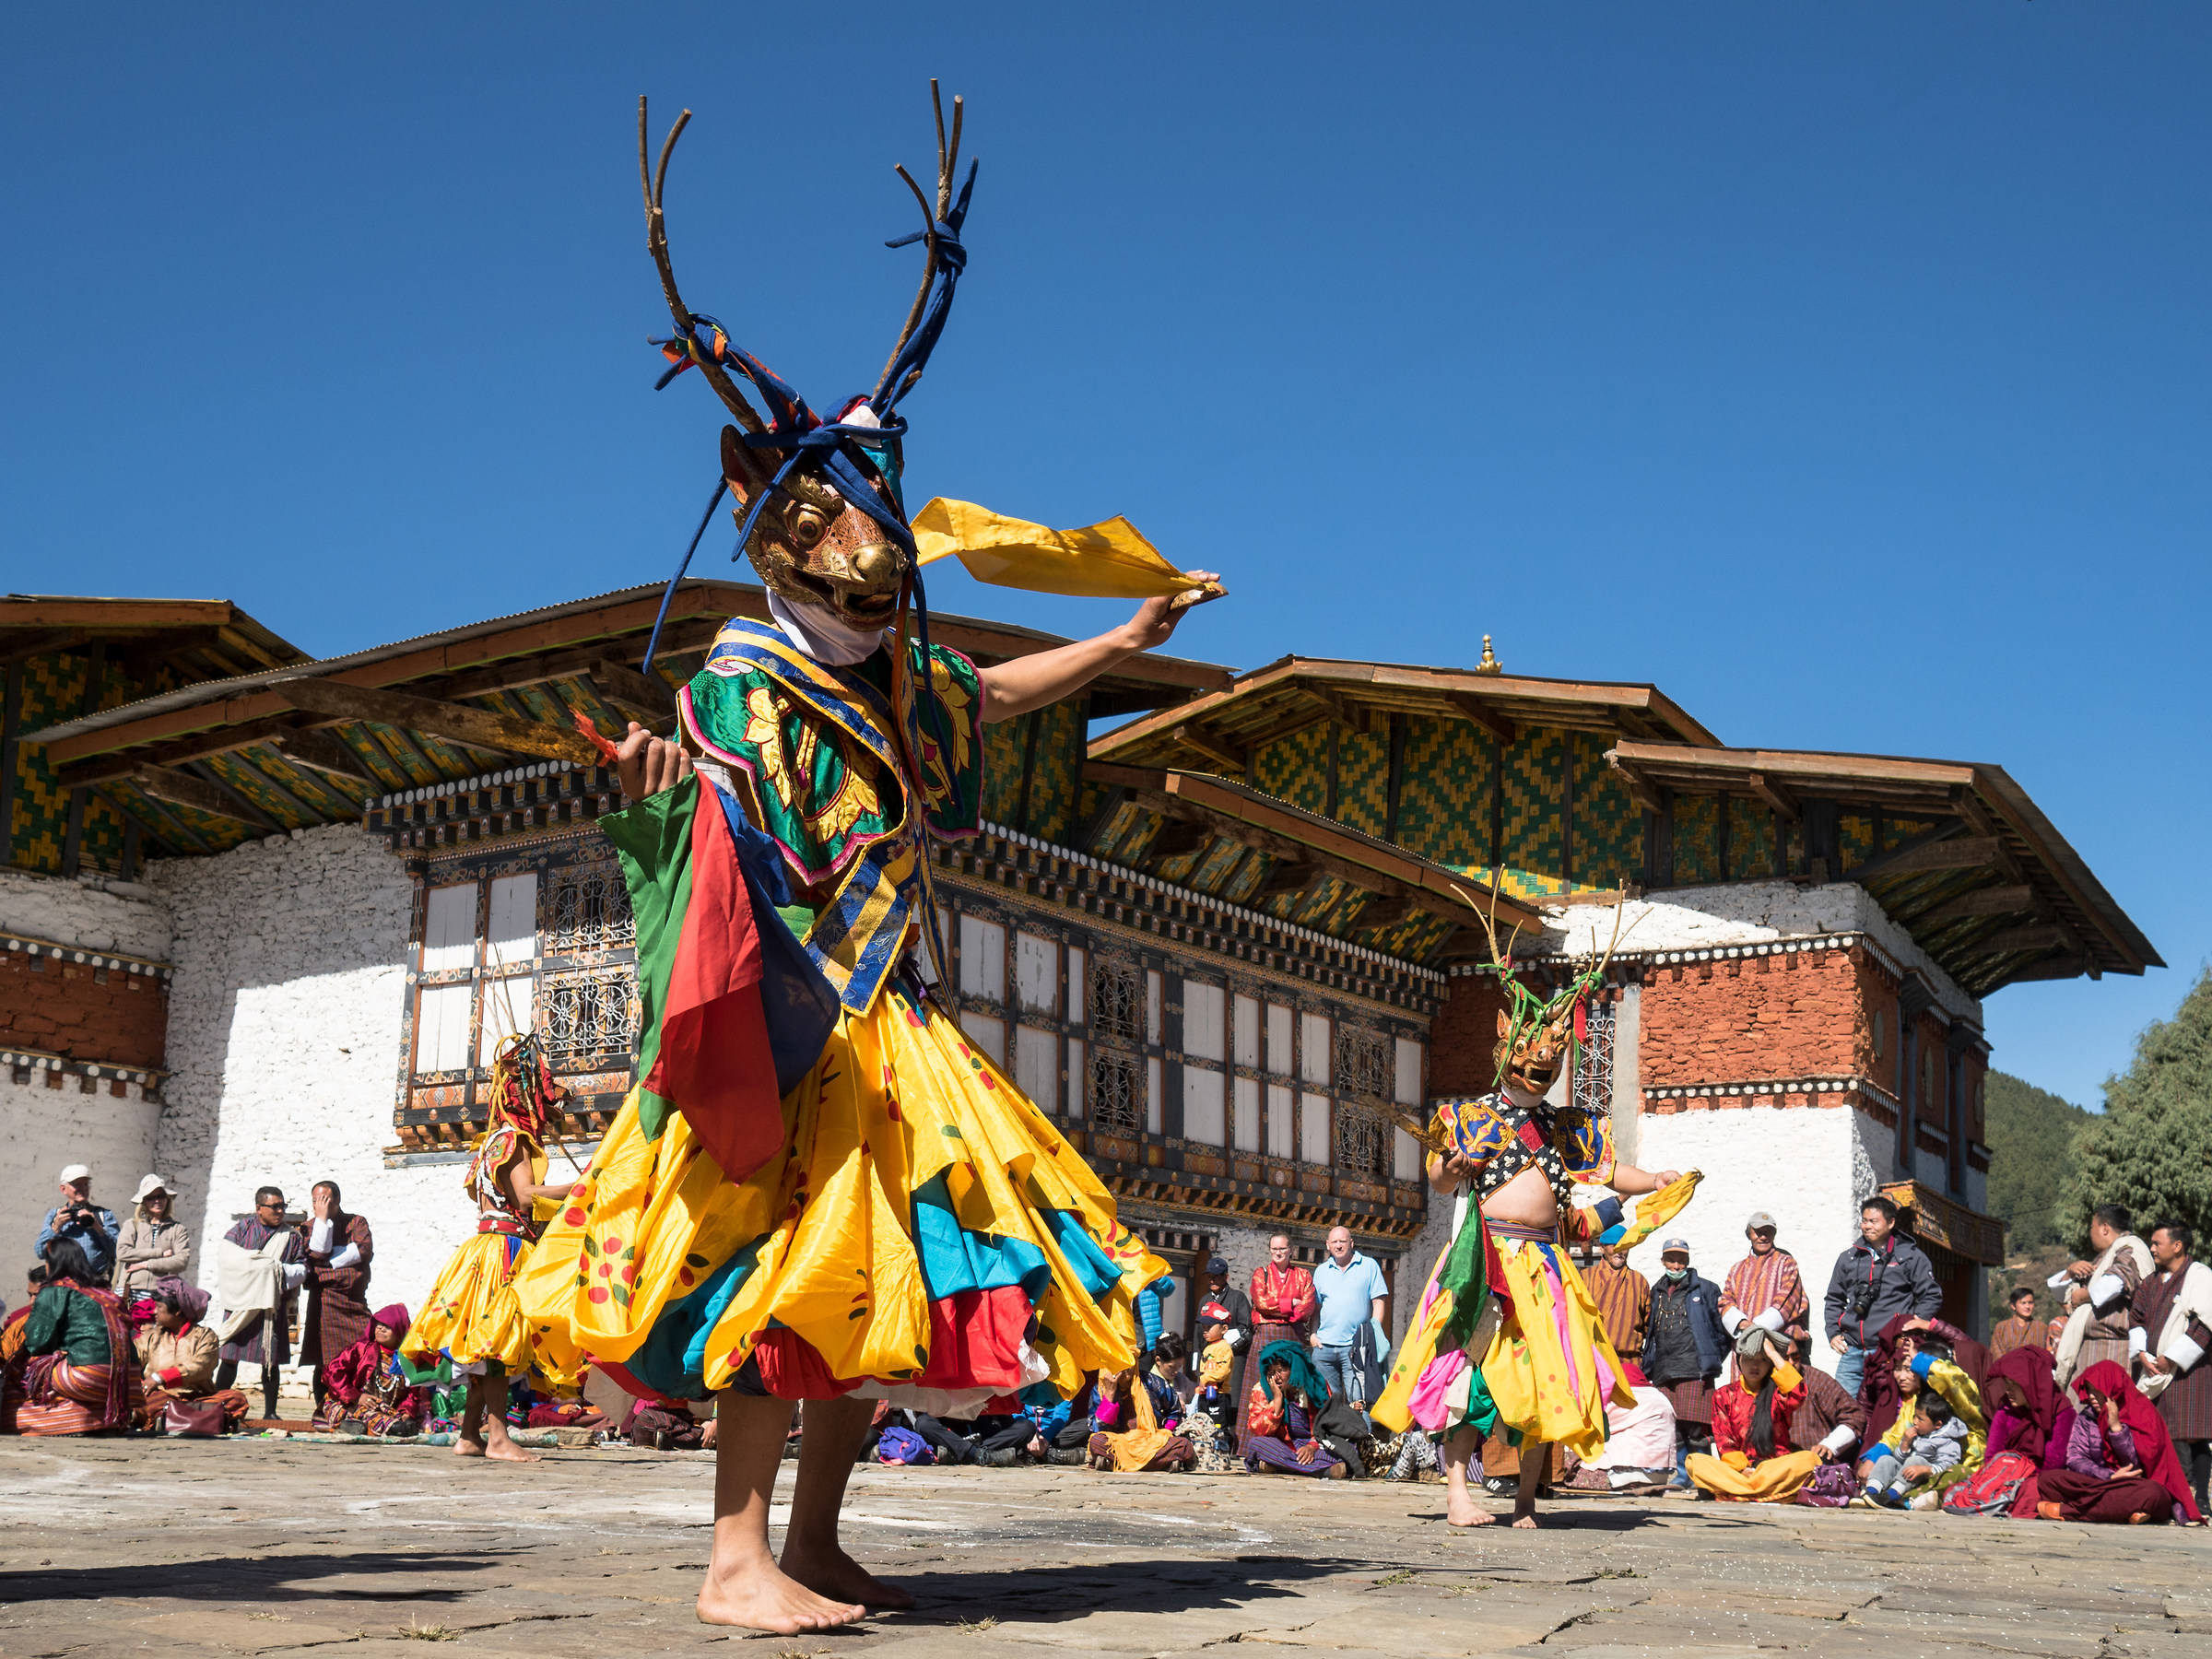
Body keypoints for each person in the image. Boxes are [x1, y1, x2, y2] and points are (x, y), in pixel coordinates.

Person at [508, 453, 1207, 1624]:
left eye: (886, 601)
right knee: (772, 1280)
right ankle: (734, 1562)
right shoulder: (740, 680)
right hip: (793, 1014)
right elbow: (706, 835)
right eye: (856, 599)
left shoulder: (895, 671)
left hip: (895, 1009)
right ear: (798, 577)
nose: (875, 619)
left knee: (880, 1285)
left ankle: (816, 1542)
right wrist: (654, 787)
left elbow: (995, 693)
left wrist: (1124, 640)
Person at [1374, 917, 1689, 1529]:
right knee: (1473, 1377)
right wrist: (1451, 1165)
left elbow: (1608, 1170)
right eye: (1530, 1051)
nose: (1541, 1061)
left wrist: (1650, 1181)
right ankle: (1458, 1495)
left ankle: (1524, 1498)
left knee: (1553, 1379)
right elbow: (1440, 1176)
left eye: (1551, 1054)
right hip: (1486, 1262)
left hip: (1546, 1267)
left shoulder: (1564, 1126)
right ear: (1506, 1050)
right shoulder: (1469, 1115)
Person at [404, 1039, 577, 1463]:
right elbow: (526, 1197)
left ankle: (469, 1435)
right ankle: (499, 1438)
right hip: (506, 1249)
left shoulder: (490, 1143)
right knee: (500, 1344)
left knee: (485, 1345)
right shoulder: (514, 1139)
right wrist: (579, 1188)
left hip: (482, 1246)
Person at [2, 1238, 141, 1435]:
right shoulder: (103, 1292)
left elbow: (36, 1340)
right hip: (129, 1379)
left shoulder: (55, 1290)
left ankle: (51, 1421)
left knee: (25, 1369)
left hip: (88, 1376)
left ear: (55, 1263)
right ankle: (106, 1421)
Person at [2036, 1360, 2202, 1524]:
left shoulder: (2144, 1414)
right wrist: (2109, 1476)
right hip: (2099, 1483)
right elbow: (2075, 1458)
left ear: (2113, 1389)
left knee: (2152, 1494)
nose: (2092, 1397)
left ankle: (2069, 1511)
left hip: (2136, 1484)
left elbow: (2137, 1465)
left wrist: (2116, 1429)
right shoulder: (2086, 1417)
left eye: (2098, 1391)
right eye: (2089, 1390)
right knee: (2048, 1479)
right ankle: (2124, 1511)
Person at [2129, 1218, 2212, 1517]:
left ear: (2177, 1246)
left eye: (2156, 1243)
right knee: (2160, 1430)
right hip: (2153, 1367)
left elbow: (2206, 1324)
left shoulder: (2200, 1276)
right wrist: (2141, 1354)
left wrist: (2172, 1357)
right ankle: (2167, 1494)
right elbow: (2136, 1318)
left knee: (2194, 1433)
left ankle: (2201, 1497)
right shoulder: (2150, 1282)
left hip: (2190, 1367)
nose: (2151, 1248)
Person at [1822, 1195, 1940, 1397]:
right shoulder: (1849, 1258)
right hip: (1852, 1350)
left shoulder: (1910, 1257)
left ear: (1891, 1222)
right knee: (1842, 1409)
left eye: (1873, 1221)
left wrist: (1911, 1328)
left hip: (1888, 1351)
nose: (1867, 1226)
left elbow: (1930, 1296)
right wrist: (1833, 1332)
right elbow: (1834, 1298)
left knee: (1883, 1412)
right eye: (1864, 1220)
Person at [1686, 1328, 1820, 1502]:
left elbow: (1798, 1393)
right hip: (1742, 1472)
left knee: (1810, 1460)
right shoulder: (1724, 1395)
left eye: (1762, 1361)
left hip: (1774, 1469)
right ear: (1739, 1360)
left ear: (1770, 1363)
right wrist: (1742, 1469)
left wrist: (1772, 1352)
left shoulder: (1779, 1393)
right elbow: (1724, 1442)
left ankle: (1738, 1492)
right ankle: (1765, 1492)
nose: (1755, 1366)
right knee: (1695, 1462)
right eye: (1749, 1360)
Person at [214, 1186, 307, 1423]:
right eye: (274, 1206)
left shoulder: (292, 1237)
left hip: (269, 1305)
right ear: (259, 1208)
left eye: (282, 1206)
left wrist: (272, 1271)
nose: (279, 1211)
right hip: (241, 1303)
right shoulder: (243, 1229)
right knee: (229, 1356)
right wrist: (263, 1267)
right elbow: (228, 1256)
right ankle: (215, 1404)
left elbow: (301, 1269)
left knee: (270, 1360)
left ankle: (270, 1411)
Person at [1856, 1344, 1985, 1509]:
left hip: (1951, 1473)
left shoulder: (1964, 1400)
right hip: (1914, 1473)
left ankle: (1899, 1500)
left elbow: (1951, 1378)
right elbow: (1895, 1435)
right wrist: (1873, 1460)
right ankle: (1879, 1495)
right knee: (1887, 1462)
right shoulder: (1917, 1403)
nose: (1909, 1375)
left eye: (1913, 1369)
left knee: (1960, 1473)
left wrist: (1920, 1360)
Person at [1642, 1238, 1726, 1488]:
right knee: (1674, 1427)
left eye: (1681, 1260)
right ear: (1663, 1261)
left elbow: (1721, 1332)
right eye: (1671, 1259)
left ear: (1688, 1261)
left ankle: (1704, 1476)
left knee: (1696, 1428)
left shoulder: (1706, 1289)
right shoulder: (1655, 1291)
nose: (1676, 1265)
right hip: (1665, 1369)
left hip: (1694, 1369)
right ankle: (1682, 1475)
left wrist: (1710, 1359)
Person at [2054, 1203, 2150, 1388]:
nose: (2090, 1232)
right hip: (2089, 1351)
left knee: (2108, 1408)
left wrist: (2085, 1296)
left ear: (2105, 1228)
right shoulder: (2104, 1257)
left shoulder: (2130, 1248)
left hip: (2114, 1351)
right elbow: (2065, 1300)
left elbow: (2118, 1280)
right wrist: (2070, 1272)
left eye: (2092, 1227)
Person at [135, 1280, 250, 1431]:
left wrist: (160, 1377)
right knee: (142, 1401)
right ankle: (207, 1419)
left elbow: (201, 1367)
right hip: (162, 1397)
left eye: (159, 1307)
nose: (154, 1312)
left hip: (199, 1398)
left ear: (177, 1311)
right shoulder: (152, 1337)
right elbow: (132, 1360)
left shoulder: (205, 1336)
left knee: (236, 1399)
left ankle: (169, 1418)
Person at [300, 1181, 375, 1409]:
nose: (320, 1204)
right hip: (324, 1304)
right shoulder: (309, 1226)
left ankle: (358, 1404)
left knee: (364, 1350)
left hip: (353, 1300)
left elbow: (363, 1250)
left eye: (326, 1200)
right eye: (316, 1201)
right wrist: (322, 1220)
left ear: (338, 1200)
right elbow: (315, 1253)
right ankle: (323, 1409)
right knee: (324, 1360)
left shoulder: (356, 1222)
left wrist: (325, 1267)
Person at [1859, 1312, 1989, 1436]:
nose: (1911, 1339)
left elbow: (1969, 1348)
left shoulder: (1930, 1361)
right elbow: (1865, 1408)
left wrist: (1930, 1326)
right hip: (1888, 1438)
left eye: (1917, 1334)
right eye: (1905, 1336)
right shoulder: (1878, 1366)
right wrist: (1869, 1438)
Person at [1243, 1237, 1317, 1446]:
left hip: (1293, 1335)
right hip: (1266, 1334)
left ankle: (1295, 1438)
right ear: (1269, 1250)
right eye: (1274, 1248)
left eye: (1282, 1248)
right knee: (1262, 1386)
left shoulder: (1303, 1275)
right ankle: (1254, 1440)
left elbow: (1308, 1306)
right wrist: (1291, 1304)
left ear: (1290, 1249)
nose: (1278, 1252)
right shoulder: (1261, 1274)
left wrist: (1288, 1312)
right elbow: (1261, 1302)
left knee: (1294, 1386)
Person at [313, 1303, 429, 1436]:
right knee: (358, 1413)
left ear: (399, 1331)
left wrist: (405, 1412)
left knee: (416, 1418)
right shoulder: (361, 1350)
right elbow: (331, 1372)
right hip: (349, 1403)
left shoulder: (407, 1359)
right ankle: (392, 1428)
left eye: (388, 1326)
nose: (381, 1329)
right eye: (379, 1324)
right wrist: (356, 1396)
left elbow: (413, 1391)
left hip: (385, 1409)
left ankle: (359, 1426)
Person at [1311, 1227, 1389, 1414]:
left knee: (1359, 1403)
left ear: (1351, 1243)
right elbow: (1316, 1308)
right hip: (1324, 1348)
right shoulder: (1321, 1271)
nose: (1339, 1246)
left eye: (1343, 1242)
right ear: (1327, 1245)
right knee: (1327, 1405)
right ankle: (1330, 1443)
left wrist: (1373, 1334)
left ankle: (1363, 1442)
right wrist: (1313, 1334)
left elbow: (1378, 1302)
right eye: (1335, 1242)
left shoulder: (1369, 1266)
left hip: (1355, 1348)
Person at [1570, 1358, 1677, 1493]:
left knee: (1571, 1463)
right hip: (1661, 1476)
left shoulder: (1623, 1398)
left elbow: (1596, 1428)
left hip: (1626, 1474)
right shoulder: (1660, 1397)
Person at [1243, 1341, 1345, 1478]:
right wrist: (1277, 1401)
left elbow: (1330, 1423)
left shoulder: (1316, 1385)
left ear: (1294, 1369)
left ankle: (1282, 1467)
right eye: (1272, 1372)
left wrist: (1311, 1447)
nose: (1276, 1377)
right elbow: (1257, 1429)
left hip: (1316, 1444)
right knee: (1256, 1444)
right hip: (1285, 1446)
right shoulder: (1261, 1389)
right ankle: (1323, 1471)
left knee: (1349, 1448)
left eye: (1282, 1371)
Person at [1860, 1386, 1966, 1508]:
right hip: (1904, 1474)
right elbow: (1899, 1459)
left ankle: (1890, 1496)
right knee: (1886, 1459)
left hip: (1924, 1478)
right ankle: (1871, 1493)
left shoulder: (1948, 1442)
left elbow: (1948, 1466)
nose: (1915, 1421)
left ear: (1937, 1424)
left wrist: (1925, 1469)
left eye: (1920, 1419)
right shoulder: (1917, 1432)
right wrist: (1905, 1443)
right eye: (1914, 1416)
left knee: (1915, 1460)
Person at [1719, 1211, 1808, 1347]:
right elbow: (1725, 1300)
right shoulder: (1737, 1269)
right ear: (1749, 1234)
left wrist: (1755, 1328)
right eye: (1758, 1232)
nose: (1763, 1237)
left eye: (1768, 1232)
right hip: (1744, 1344)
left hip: (1778, 1343)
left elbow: (1788, 1299)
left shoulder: (1786, 1263)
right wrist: (1740, 1323)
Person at [1088, 1360, 1195, 1473]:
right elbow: (1098, 1429)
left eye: (1129, 1362)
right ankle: (1161, 1463)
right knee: (1097, 1442)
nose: (1125, 1368)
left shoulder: (1153, 1382)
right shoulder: (1100, 1389)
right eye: (1120, 1363)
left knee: (1183, 1446)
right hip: (1120, 1442)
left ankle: (1116, 1463)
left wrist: (1164, 1432)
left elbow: (1175, 1410)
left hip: (1152, 1441)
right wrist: (1110, 1394)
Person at [112, 1174, 191, 1302]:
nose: (157, 1201)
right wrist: (159, 1253)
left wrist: (146, 1265)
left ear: (167, 1199)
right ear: (143, 1202)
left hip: (161, 1292)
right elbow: (122, 1253)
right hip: (130, 1290)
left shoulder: (177, 1229)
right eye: (151, 1198)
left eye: (161, 1196)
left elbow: (181, 1261)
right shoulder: (132, 1225)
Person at [35, 1166, 117, 1283]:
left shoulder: (104, 1215)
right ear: (63, 1189)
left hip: (95, 1284)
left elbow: (117, 1251)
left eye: (86, 1184)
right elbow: (40, 1252)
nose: (83, 1188)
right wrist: (56, 1228)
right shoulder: (54, 1215)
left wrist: (97, 1228)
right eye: (77, 1185)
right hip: (62, 1284)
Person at [1195, 1255, 1253, 1409]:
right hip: (1208, 1362)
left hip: (1233, 1358)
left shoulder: (1237, 1298)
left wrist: (1224, 1344)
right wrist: (1197, 1365)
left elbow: (1247, 1329)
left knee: (1231, 1403)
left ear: (1226, 1277)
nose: (1212, 1280)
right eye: (1210, 1277)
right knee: (1208, 1404)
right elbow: (1198, 1335)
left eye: (1216, 1276)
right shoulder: (1204, 1301)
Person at [1583, 1243, 1652, 1359]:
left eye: (1624, 1247)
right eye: (1614, 1246)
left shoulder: (1639, 1281)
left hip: (1629, 1359)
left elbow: (1648, 1322)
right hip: (1593, 1358)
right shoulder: (1586, 1277)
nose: (1619, 1252)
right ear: (1602, 1247)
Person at [1990, 1285, 2045, 1360]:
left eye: (2030, 1303)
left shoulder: (2042, 1328)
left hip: (2034, 1370)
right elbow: (1997, 1354)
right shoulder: (2001, 1327)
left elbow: (2046, 1355)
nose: (2027, 1306)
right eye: (2023, 1303)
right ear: (2013, 1306)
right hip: (2007, 1369)